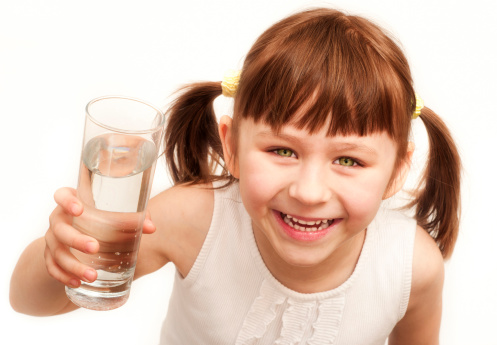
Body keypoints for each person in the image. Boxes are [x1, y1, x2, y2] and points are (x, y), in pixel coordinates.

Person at [10, 8, 461, 345]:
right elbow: (28, 302)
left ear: (398, 169)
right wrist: (57, 259)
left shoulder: (412, 268)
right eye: (281, 150)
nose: (308, 192)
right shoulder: (193, 221)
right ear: (232, 146)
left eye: (349, 161)